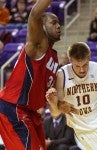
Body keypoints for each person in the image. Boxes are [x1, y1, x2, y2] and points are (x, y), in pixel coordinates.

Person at [0, 0, 61, 149]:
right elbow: (34, 14)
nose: (59, 26)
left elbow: (53, 104)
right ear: (42, 26)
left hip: (30, 113)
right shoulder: (37, 45)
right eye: (53, 23)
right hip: (13, 108)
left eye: (59, 23)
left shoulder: (53, 57)